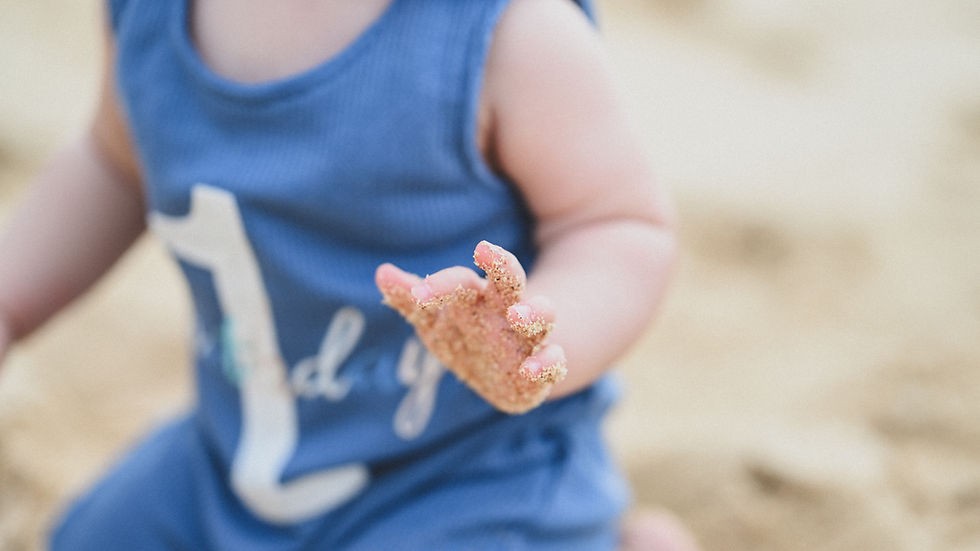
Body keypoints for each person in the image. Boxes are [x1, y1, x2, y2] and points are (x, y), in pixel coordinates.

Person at [0, 0, 696, 549]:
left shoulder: (508, 32)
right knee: (88, 536)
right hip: (234, 457)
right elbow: (114, 163)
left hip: (465, 475)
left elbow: (614, 225)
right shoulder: (150, 16)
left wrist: (534, 340)